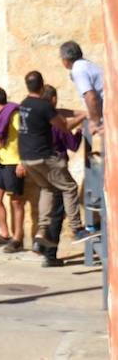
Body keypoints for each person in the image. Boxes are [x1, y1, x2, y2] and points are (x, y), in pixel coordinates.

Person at [16, 70, 90, 265]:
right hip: (44, 156)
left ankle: (42, 230)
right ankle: (77, 229)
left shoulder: (25, 105)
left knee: (48, 188)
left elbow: (58, 113)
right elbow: (64, 125)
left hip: (27, 158)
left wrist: (80, 112)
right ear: (42, 85)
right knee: (70, 187)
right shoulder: (43, 106)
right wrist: (84, 117)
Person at [59, 40, 105, 234]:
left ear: (65, 60)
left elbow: (91, 97)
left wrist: (95, 121)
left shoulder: (78, 69)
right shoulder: (87, 65)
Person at [0, 87, 25, 252]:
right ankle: (4, 234)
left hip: (14, 163)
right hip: (1, 161)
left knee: (16, 202)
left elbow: (23, 136)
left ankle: (18, 238)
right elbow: (3, 138)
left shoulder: (14, 115)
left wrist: (23, 162)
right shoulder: (1, 117)